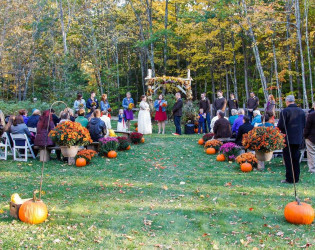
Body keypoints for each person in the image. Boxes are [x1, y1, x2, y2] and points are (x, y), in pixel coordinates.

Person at [278, 95, 305, 184]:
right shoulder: (301, 111)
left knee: (288, 159)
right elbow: (303, 124)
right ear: (294, 101)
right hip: (298, 138)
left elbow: (280, 125)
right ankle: (296, 178)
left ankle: (289, 178)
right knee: (296, 158)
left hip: (288, 138)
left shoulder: (285, 111)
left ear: (287, 102)